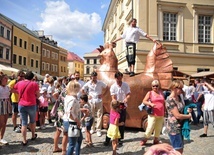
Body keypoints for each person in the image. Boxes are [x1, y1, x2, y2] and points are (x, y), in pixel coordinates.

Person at [165, 80, 192, 154]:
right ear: (174, 88)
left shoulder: (179, 97)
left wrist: (188, 110)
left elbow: (182, 109)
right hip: (174, 128)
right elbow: (177, 115)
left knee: (180, 149)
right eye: (180, 88)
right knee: (177, 150)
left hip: (180, 126)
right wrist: (188, 116)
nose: (181, 90)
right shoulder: (170, 100)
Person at [104, 71, 131, 146]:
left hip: (123, 105)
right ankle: (107, 139)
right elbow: (113, 97)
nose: (119, 80)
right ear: (115, 78)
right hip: (115, 106)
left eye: (120, 78)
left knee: (122, 122)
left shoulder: (125, 85)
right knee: (112, 122)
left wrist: (126, 99)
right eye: (118, 79)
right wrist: (116, 104)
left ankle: (119, 139)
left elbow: (128, 94)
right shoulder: (113, 86)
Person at [14, 71, 40, 146]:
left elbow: (13, 89)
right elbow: (38, 95)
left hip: (21, 105)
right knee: (32, 121)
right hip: (31, 104)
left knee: (24, 123)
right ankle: (33, 135)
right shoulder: (34, 84)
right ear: (32, 78)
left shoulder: (19, 83)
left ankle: (24, 140)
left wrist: (19, 93)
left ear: (25, 76)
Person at [81, 71, 107, 137]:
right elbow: (82, 89)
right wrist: (87, 95)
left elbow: (106, 87)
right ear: (91, 77)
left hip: (99, 100)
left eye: (95, 77)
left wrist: (103, 94)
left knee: (99, 115)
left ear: (96, 77)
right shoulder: (88, 83)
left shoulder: (100, 82)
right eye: (93, 77)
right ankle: (92, 128)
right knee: (91, 115)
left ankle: (98, 130)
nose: (94, 78)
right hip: (91, 101)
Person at [140, 80, 165, 145]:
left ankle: (156, 140)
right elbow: (144, 101)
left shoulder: (161, 92)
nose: (155, 87)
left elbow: (163, 102)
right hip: (153, 113)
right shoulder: (150, 93)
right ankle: (145, 139)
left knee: (158, 127)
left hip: (161, 113)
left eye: (156, 86)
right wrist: (150, 104)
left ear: (158, 86)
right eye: (153, 86)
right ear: (151, 87)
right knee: (150, 126)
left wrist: (166, 110)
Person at [63, 81, 82, 155]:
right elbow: (70, 112)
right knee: (72, 143)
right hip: (72, 122)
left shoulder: (68, 96)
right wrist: (77, 121)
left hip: (69, 120)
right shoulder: (72, 99)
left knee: (79, 139)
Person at [0, 74, 11, 144]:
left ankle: (1, 138)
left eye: (7, 78)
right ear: (1, 79)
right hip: (0, 104)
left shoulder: (7, 87)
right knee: (1, 123)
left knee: (5, 123)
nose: (6, 80)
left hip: (6, 104)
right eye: (5, 78)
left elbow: (14, 92)